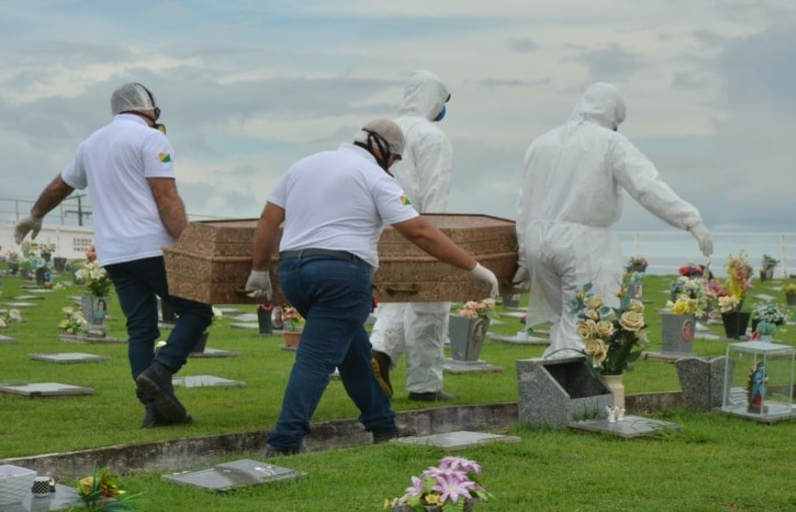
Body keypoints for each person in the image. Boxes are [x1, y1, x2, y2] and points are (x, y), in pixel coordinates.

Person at [243, 118, 499, 456]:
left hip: (294, 270)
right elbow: (418, 231)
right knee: (316, 359)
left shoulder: (304, 165)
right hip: (341, 274)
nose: (393, 165)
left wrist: (259, 269)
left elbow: (269, 219)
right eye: (395, 158)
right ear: (383, 151)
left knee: (354, 355)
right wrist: (474, 266)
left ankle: (382, 424)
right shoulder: (376, 177)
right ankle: (285, 440)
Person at [14, 83, 212, 428]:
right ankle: (162, 371)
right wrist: (188, 246)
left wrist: (35, 214)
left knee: (140, 328)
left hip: (115, 252)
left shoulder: (91, 143)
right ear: (147, 109)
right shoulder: (152, 139)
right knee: (197, 311)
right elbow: (166, 197)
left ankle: (155, 407)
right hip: (153, 246)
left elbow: (61, 185)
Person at [515, 82, 713, 357]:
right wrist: (690, 220)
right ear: (611, 113)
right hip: (581, 241)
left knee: (565, 321)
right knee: (587, 325)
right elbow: (645, 186)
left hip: (539, 240)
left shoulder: (541, 143)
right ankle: (572, 393)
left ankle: (553, 387)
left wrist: (524, 256)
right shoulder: (609, 141)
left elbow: (525, 204)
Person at [369, 70, 457, 402]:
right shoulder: (431, 136)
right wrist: (439, 237)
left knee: (395, 296)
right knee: (430, 306)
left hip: (380, 230)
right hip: (419, 227)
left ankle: (379, 352)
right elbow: (436, 192)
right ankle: (425, 384)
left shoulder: (379, 129)